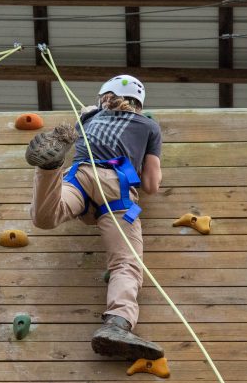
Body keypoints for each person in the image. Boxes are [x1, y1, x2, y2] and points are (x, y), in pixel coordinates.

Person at [25, 75, 164, 360]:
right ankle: (116, 323)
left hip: (80, 176)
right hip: (118, 191)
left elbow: (86, 118)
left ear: (104, 96)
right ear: (139, 103)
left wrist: (88, 115)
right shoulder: (149, 126)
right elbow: (151, 185)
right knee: (126, 262)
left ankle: (49, 169)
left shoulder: (88, 117)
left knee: (47, 217)